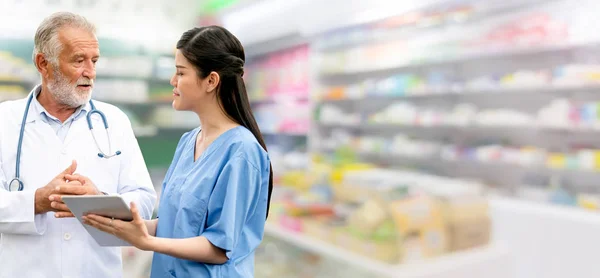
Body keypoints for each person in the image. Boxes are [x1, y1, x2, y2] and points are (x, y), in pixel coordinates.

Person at [80, 26, 274, 278]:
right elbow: (175, 226)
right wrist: (113, 220)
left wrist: (147, 243)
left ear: (211, 81)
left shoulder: (242, 152)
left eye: (180, 73)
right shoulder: (188, 142)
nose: (173, 81)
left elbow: (219, 247)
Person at [0, 12, 157, 278]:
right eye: (79, 60)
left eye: (94, 61)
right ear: (43, 63)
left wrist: (101, 201)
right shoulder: (5, 121)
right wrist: (36, 201)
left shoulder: (115, 122)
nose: (90, 72)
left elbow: (143, 200)